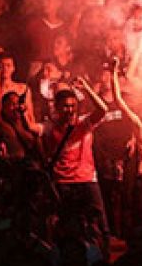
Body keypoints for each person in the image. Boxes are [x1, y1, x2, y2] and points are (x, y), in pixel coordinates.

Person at [40, 78, 111, 236]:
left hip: (87, 180)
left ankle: (103, 255)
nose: (70, 110)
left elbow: (103, 109)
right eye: (66, 106)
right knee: (67, 225)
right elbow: (31, 129)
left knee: (100, 225)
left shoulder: (83, 123)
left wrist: (86, 88)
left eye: (73, 106)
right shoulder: (50, 128)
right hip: (63, 182)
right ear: (57, 108)